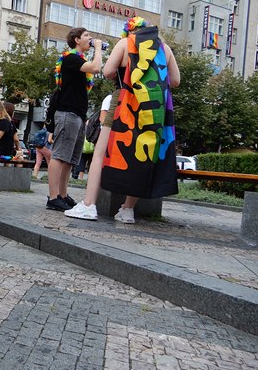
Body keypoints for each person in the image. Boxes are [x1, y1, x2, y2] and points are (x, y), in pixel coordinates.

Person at [65, 17, 180, 223]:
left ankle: (89, 205)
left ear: (130, 30)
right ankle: (127, 210)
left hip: (124, 103)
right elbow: (175, 81)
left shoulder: (126, 43)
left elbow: (108, 71)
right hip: (152, 109)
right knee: (141, 157)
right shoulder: (165, 49)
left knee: (100, 153)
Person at [46, 28, 103, 211]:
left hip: (78, 114)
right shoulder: (71, 58)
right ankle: (53, 197)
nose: (91, 38)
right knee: (60, 155)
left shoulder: (79, 60)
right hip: (67, 112)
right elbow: (96, 68)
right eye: (87, 36)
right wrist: (99, 48)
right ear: (77, 40)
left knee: (70, 159)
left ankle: (63, 194)